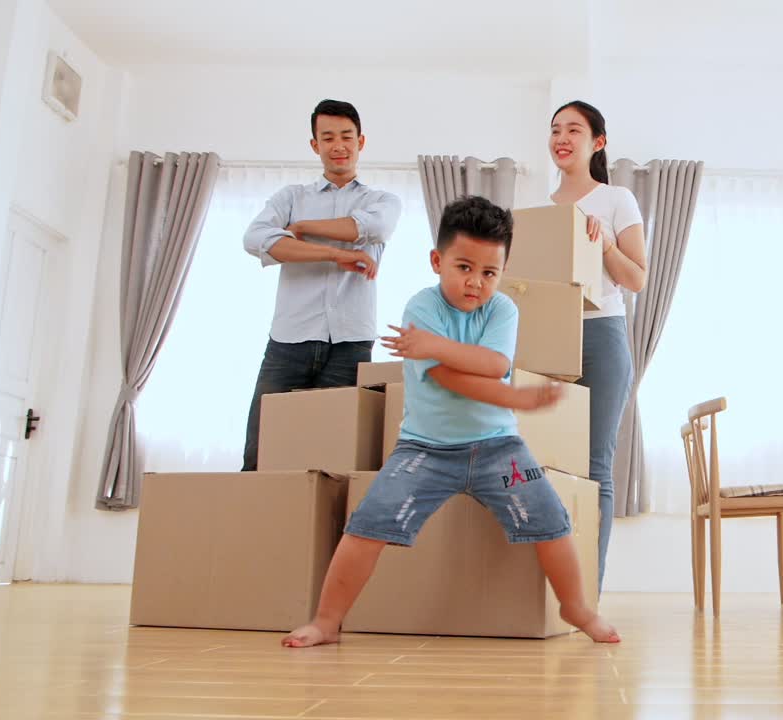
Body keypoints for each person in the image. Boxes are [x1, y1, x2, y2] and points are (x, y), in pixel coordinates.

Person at [282, 196, 619, 648]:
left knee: (552, 517)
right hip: (424, 449)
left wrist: (437, 348)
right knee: (368, 522)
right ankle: (326, 620)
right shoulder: (421, 309)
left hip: (499, 446)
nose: (475, 282)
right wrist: (511, 393)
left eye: (489, 273)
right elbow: (450, 378)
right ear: (437, 261)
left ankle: (576, 606)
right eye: (463, 267)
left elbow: (493, 361)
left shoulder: (503, 311)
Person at [240, 99, 401, 471]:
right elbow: (255, 239)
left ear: (361, 141)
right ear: (315, 145)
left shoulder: (380, 200)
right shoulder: (290, 197)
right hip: (289, 340)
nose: (338, 145)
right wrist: (336, 255)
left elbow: (372, 228)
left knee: (337, 457)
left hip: (349, 344)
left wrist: (303, 227)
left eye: (346, 136)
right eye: (328, 137)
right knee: (260, 453)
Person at [547, 100, 647, 589]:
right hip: (548, 338)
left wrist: (603, 244)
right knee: (543, 460)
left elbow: (637, 278)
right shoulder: (542, 209)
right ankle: (548, 587)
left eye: (574, 130)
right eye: (555, 130)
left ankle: (590, 589)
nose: (562, 138)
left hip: (602, 335)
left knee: (593, 466)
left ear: (597, 142)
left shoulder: (615, 199)